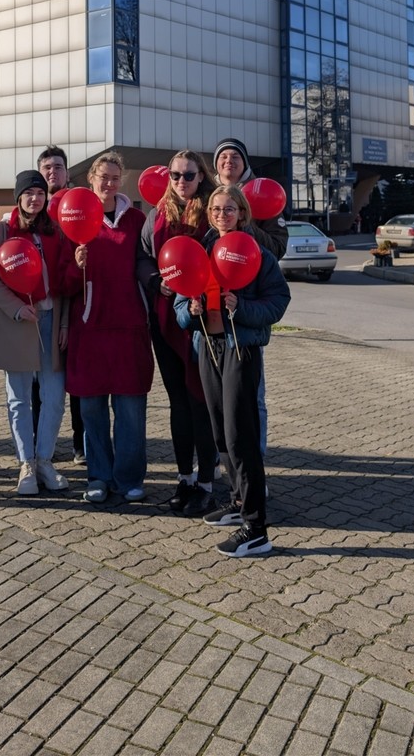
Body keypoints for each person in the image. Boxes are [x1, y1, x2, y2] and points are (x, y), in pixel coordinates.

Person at [175, 185, 290, 557]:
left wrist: (241, 308)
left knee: (241, 435)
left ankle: (256, 528)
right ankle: (238, 501)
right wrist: (190, 311)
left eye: (229, 209)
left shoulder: (256, 253)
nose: (221, 215)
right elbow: (179, 305)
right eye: (215, 208)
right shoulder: (201, 251)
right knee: (220, 431)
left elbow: (278, 301)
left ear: (242, 213)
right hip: (209, 347)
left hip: (241, 349)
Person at [66, 151, 153, 505]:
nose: (110, 183)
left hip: (129, 327)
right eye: (104, 177)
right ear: (91, 178)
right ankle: (99, 476)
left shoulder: (136, 219)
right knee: (92, 410)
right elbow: (62, 282)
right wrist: (74, 266)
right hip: (88, 329)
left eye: (116, 178)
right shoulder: (73, 217)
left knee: (131, 409)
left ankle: (129, 478)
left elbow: (146, 264)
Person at [137, 150, 218, 517]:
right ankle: (184, 478)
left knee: (201, 401)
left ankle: (207, 484)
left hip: (202, 320)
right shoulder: (155, 215)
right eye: (175, 175)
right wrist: (157, 282)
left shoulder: (213, 212)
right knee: (178, 402)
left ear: (201, 177)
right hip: (165, 319)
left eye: (189, 175)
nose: (181, 182)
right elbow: (142, 259)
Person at [0, 170, 74, 495]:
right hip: (18, 321)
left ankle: (45, 460)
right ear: (18, 197)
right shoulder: (3, 229)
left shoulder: (55, 230)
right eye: (28, 193)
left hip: (50, 320)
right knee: (19, 398)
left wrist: (64, 323)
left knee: (54, 397)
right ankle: (26, 464)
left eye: (39, 193)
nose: (35, 198)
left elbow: (63, 281)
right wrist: (17, 308)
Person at [213, 137, 287, 460]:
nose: (228, 161)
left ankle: (254, 463)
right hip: (211, 316)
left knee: (252, 395)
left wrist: (244, 224)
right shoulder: (208, 195)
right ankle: (221, 461)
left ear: (245, 163)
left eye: (235, 156)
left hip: (248, 311)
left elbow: (278, 247)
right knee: (215, 396)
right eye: (223, 157)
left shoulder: (263, 194)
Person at [35, 145, 85, 464]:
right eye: (47, 167)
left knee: (78, 379)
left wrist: (66, 321)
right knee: (40, 382)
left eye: (58, 167)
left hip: (76, 304)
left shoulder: (78, 205)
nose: (53, 171)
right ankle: (40, 447)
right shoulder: (32, 211)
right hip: (43, 308)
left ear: (67, 172)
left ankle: (81, 444)